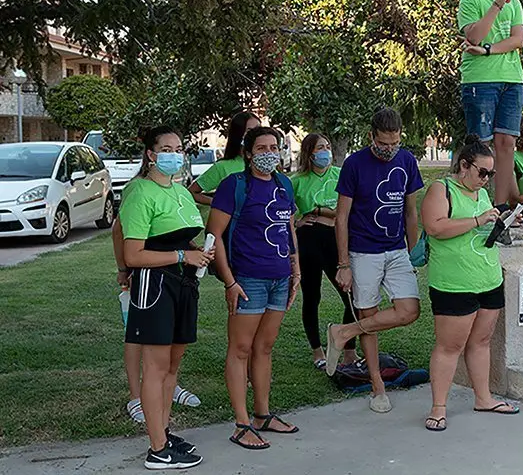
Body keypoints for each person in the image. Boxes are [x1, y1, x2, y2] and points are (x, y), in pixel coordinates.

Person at [118, 126, 214, 469]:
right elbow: (133, 255)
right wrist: (180, 256)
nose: (175, 153)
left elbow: (183, 238)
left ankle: (165, 432)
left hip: (184, 285)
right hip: (154, 286)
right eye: (167, 148)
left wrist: (197, 252)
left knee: (173, 365)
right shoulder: (140, 192)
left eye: (179, 148)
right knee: (156, 369)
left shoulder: (181, 193)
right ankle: (157, 448)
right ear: (151, 155)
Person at [207, 126, 300, 450]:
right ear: (248, 153)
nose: (269, 153)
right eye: (261, 148)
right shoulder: (235, 185)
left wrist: (295, 268)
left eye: (273, 146)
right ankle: (241, 423)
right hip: (248, 280)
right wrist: (229, 281)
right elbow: (214, 234)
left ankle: (263, 415)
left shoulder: (283, 184)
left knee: (265, 348)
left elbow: (288, 227)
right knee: (240, 349)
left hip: (279, 279)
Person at [326, 108, 424, 414]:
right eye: (383, 143)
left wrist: (414, 249)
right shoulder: (354, 164)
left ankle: (343, 332)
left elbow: (410, 211)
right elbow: (341, 217)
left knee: (410, 310)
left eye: (394, 143)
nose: (389, 149)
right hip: (362, 251)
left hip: (396, 250)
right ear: (371, 136)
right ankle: (377, 386)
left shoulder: (406, 160)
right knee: (369, 317)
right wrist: (343, 264)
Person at [421, 135, 519, 432]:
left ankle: (484, 397)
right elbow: (435, 227)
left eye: (491, 175)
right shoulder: (442, 189)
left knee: (482, 341)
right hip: (454, 282)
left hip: (487, 277)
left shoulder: (481, 193)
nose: (486, 180)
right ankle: (439, 407)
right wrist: (477, 221)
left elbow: (482, 223)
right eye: (482, 173)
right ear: (464, 165)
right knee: (450, 346)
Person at [112, 220, 201, 424]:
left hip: (175, 272)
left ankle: (169, 386)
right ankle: (136, 397)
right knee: (137, 333)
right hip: (145, 270)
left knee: (168, 335)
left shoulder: (174, 190)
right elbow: (119, 229)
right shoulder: (138, 190)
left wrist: (191, 247)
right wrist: (123, 269)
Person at [459, 0, 523, 206]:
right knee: (481, 146)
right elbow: (473, 34)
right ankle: (475, 203)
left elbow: (517, 39)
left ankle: (499, 208)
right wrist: (496, 5)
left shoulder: (515, 2)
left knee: (507, 142)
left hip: (512, 79)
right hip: (480, 80)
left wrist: (487, 50)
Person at [290, 133, 358, 369]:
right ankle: (317, 351)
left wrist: (320, 210)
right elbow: (286, 213)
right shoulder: (296, 180)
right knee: (312, 297)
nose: (326, 151)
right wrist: (298, 222)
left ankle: (349, 349)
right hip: (308, 240)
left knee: (351, 295)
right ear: (309, 153)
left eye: (328, 147)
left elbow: (348, 211)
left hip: (335, 239)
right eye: (320, 148)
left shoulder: (341, 175)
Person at [188, 112, 261, 205]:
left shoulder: (265, 163)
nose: (256, 135)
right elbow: (191, 192)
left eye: (259, 130)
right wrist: (220, 204)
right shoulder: (223, 167)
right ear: (238, 134)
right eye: (250, 131)